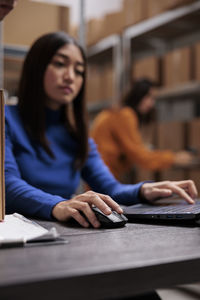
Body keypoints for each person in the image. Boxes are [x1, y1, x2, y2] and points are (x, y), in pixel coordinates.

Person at [5, 32, 197, 230]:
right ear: (35, 67)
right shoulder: (5, 118)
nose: (70, 77)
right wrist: (58, 204)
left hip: (59, 233)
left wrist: (144, 190)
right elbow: (6, 184)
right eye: (60, 64)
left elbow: (110, 188)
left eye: (79, 71)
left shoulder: (77, 135)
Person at [91, 78, 194, 180]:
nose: (151, 103)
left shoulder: (119, 112)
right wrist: (174, 158)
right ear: (138, 95)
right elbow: (140, 157)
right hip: (102, 176)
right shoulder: (125, 115)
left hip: (99, 174)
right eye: (149, 97)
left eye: (153, 99)